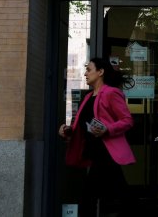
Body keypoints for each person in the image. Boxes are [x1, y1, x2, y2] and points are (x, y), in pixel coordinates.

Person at [58, 57, 136, 217]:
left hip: (106, 153)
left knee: (90, 198)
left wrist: (107, 129)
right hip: (95, 153)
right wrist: (68, 130)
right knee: (112, 194)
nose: (85, 73)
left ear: (100, 72)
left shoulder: (111, 93)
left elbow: (128, 121)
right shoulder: (87, 97)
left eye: (89, 69)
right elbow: (80, 126)